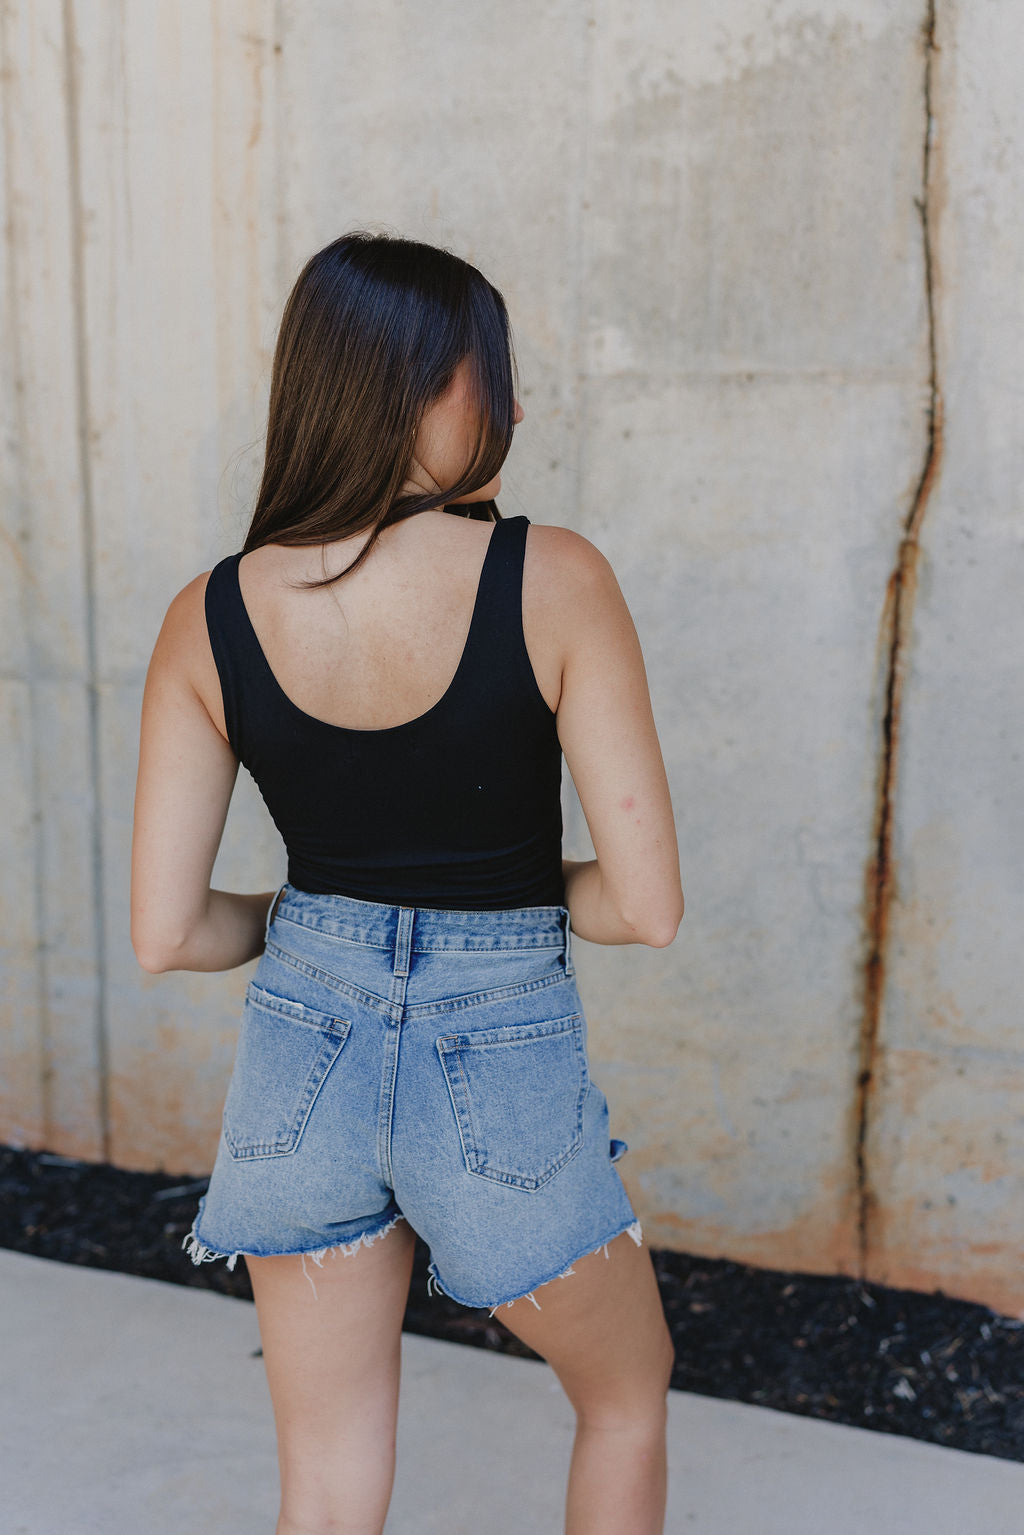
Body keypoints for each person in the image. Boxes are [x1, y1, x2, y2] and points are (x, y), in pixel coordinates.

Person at [130, 230, 684, 1535]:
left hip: (298, 1037)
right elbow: (645, 905)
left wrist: (330, 925)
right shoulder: (555, 579)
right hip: (499, 1035)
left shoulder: (204, 615)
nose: (516, 408)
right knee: (627, 1393)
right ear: (416, 384)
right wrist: (484, 906)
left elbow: (171, 932)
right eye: (490, 376)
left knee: (327, 1483)